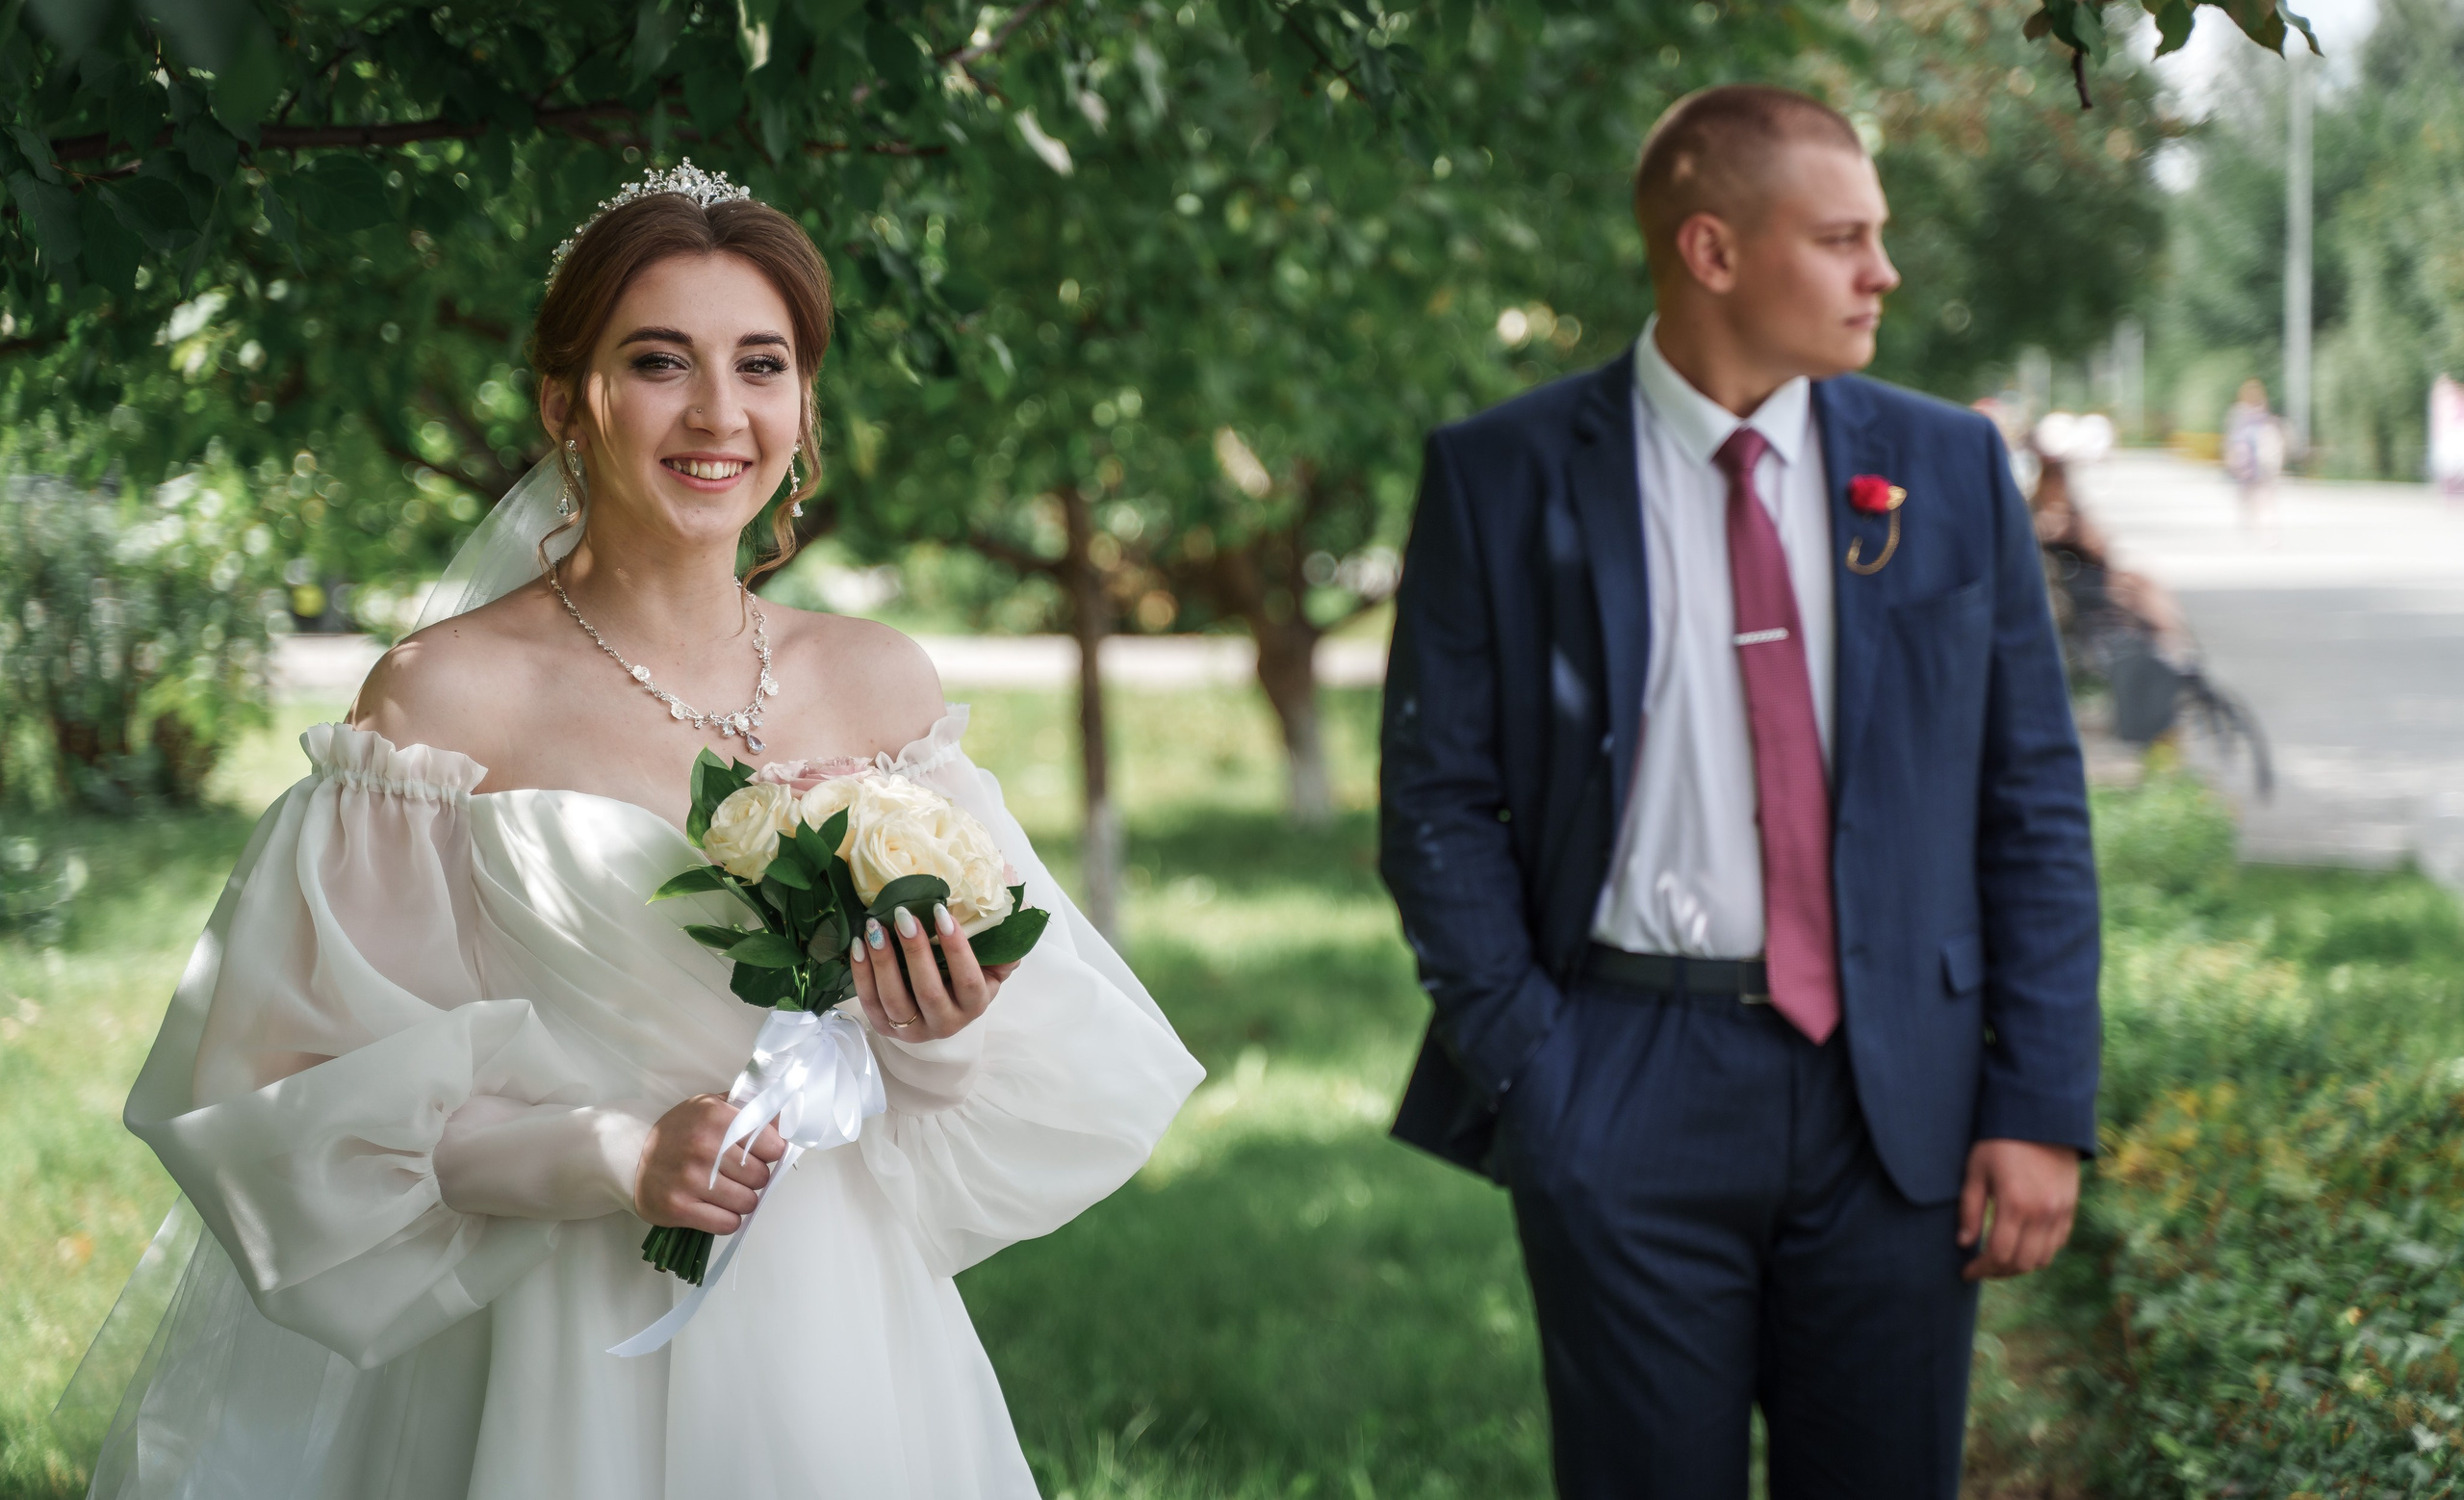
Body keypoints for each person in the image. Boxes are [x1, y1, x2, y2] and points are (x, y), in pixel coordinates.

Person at [82, 165, 1204, 1499]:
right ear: (569, 401)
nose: (719, 412)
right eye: (660, 361)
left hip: (841, 1313)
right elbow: (292, 1094)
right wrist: (607, 1153)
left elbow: (955, 1089)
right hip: (555, 1325)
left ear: (804, 403)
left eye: (763, 363)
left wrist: (936, 1037)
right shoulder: (442, 700)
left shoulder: (881, 687)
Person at [1378, 86, 2100, 1498]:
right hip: (1622, 1070)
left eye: (1877, 236)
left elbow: (2033, 801)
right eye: (1842, 238)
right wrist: (1537, 1068)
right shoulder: (1502, 475)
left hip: (1899, 1089)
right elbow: (1436, 799)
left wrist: (2040, 1098)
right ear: (1711, 250)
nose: (1882, 271)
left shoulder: (1946, 464)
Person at [2221, 377, 2286, 530]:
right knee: (2254, 493)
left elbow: (2232, 436)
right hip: (2248, 459)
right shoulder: (2242, 412)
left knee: (2260, 493)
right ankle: (2257, 520)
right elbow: (2231, 436)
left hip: (2256, 459)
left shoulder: (2259, 412)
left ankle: (2262, 521)